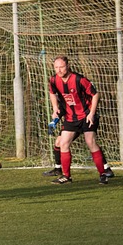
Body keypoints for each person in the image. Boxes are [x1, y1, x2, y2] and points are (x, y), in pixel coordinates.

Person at [48, 55, 111, 185]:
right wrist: (55, 108)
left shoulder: (79, 79)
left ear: (68, 66)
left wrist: (92, 113)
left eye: (62, 67)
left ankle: (103, 174)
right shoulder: (54, 80)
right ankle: (66, 176)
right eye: (56, 67)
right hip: (71, 118)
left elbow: (95, 94)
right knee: (63, 143)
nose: (59, 70)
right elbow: (52, 93)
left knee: (90, 142)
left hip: (86, 115)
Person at [43, 117, 114, 178]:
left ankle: (106, 168)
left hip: (86, 118)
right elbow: (62, 108)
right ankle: (58, 169)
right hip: (73, 120)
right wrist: (55, 120)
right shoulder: (61, 101)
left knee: (91, 143)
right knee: (59, 142)